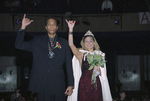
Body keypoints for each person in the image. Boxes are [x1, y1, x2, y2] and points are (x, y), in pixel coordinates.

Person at [15, 14, 74, 101]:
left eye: (53, 24)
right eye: (49, 24)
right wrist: (23, 27)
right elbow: (19, 45)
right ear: (46, 27)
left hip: (58, 83)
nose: (51, 26)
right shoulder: (37, 41)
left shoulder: (64, 43)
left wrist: (70, 84)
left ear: (57, 27)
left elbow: (69, 65)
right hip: (42, 84)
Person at [66, 20, 112, 101]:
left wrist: (99, 71)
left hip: (96, 84)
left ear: (94, 42)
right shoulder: (81, 54)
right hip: (84, 84)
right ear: (83, 43)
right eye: (86, 41)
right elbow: (71, 45)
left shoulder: (100, 54)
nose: (88, 43)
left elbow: (103, 73)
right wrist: (70, 29)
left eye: (90, 41)